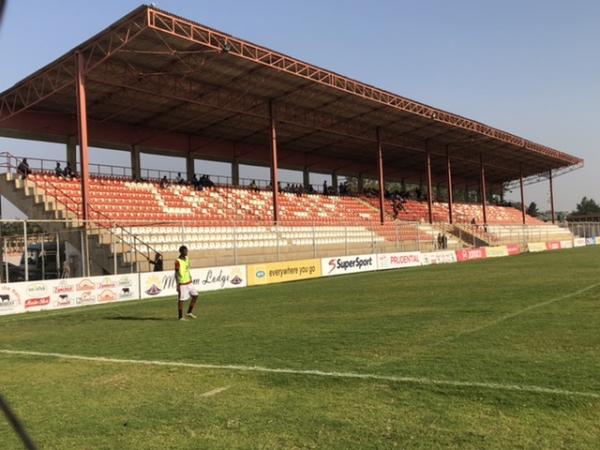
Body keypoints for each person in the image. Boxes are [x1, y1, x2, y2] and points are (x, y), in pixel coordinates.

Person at [175, 245, 198, 321]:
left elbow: (187, 269)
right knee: (181, 300)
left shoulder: (187, 259)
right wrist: (178, 284)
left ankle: (189, 312)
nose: (187, 252)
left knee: (195, 296)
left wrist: (190, 277)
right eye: (185, 251)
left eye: (187, 251)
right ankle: (180, 317)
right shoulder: (178, 261)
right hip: (182, 283)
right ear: (181, 252)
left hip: (189, 282)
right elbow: (176, 273)